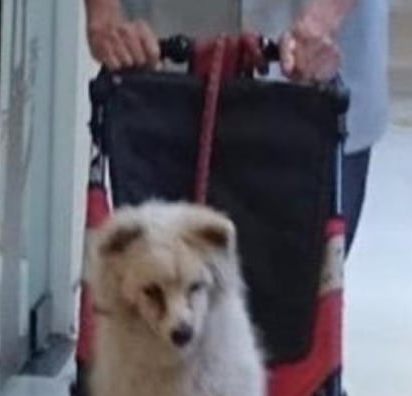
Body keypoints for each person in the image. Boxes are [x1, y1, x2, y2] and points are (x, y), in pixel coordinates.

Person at [82, 0, 388, 255]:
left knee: (297, 300)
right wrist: (103, 13)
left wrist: (322, 19)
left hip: (315, 70)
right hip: (164, 66)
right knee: (162, 298)